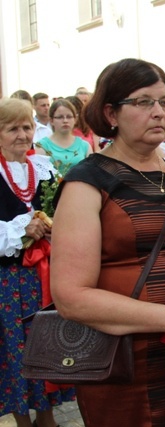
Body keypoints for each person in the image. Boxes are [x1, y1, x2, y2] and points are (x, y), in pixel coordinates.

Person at [50, 58, 165, 426]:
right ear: (111, 113)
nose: (158, 113)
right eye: (143, 102)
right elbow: (71, 296)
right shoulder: (87, 183)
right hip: (125, 364)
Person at [0, 98, 74, 427]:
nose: (22, 134)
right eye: (12, 128)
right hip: (9, 280)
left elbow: (62, 210)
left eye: (27, 127)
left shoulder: (42, 167)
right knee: (15, 347)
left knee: (46, 343)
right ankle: (22, 421)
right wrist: (22, 230)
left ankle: (48, 419)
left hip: (46, 273)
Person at [35, 98, 93, 175]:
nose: (65, 121)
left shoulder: (85, 146)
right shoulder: (42, 146)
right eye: (60, 117)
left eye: (69, 117)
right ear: (52, 120)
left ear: (75, 119)